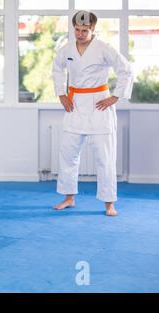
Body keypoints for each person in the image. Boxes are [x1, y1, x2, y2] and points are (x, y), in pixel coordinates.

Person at [52, 11, 134, 216]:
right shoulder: (66, 49)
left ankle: (109, 202)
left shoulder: (104, 48)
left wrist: (116, 96)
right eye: (77, 30)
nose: (80, 34)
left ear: (93, 29)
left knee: (104, 157)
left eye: (84, 30)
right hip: (75, 104)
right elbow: (57, 70)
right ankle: (69, 197)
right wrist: (61, 94)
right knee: (68, 153)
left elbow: (126, 70)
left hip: (99, 105)